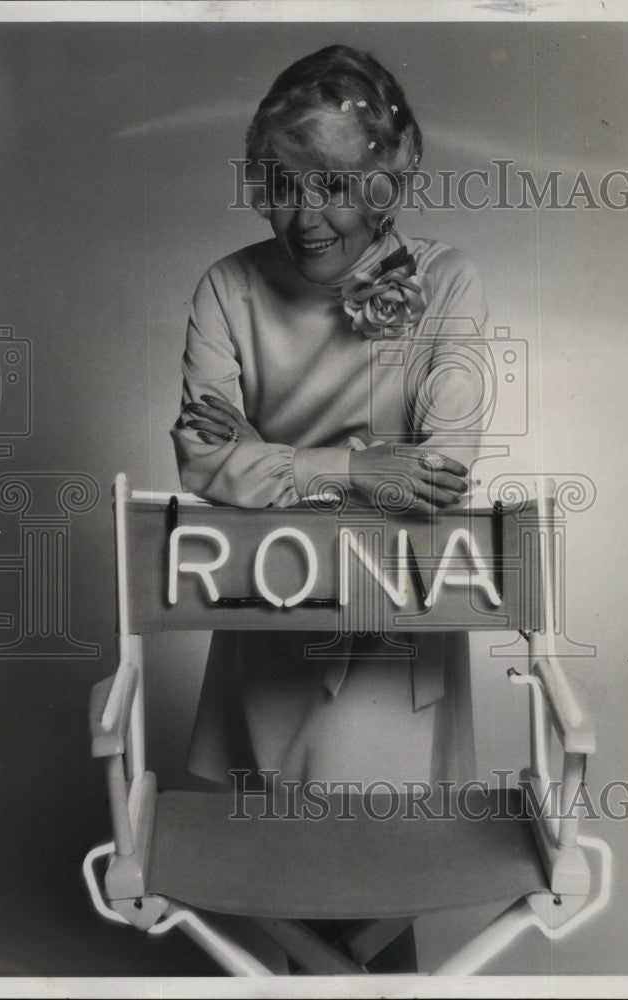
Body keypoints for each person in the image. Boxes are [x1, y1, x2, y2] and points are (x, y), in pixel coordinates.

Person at [171, 45, 487, 794]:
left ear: (383, 184)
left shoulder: (445, 281)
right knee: (276, 878)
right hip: (266, 606)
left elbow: (437, 477)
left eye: (335, 187)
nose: (305, 219)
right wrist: (355, 469)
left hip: (393, 615)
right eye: (283, 187)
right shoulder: (228, 288)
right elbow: (201, 462)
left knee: (376, 875)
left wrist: (269, 460)